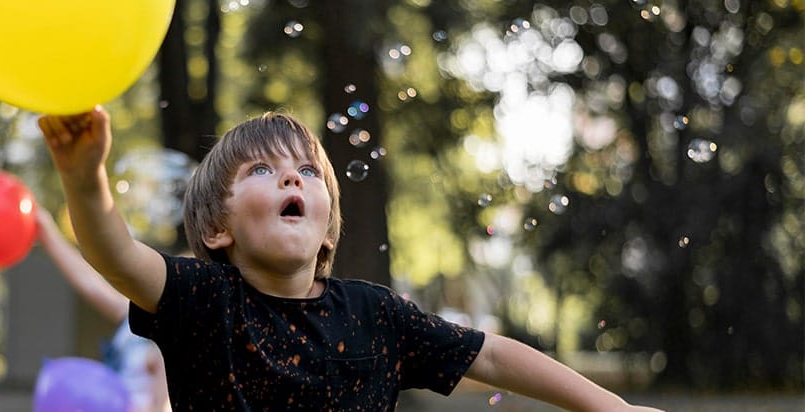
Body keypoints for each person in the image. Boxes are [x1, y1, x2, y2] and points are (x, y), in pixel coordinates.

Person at [38, 106, 664, 411]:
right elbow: (113, 252)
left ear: (328, 231)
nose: (293, 181)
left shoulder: (376, 314)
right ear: (215, 227)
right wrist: (82, 174)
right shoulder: (203, 299)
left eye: (308, 171)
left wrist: (614, 408)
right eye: (264, 169)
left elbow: (494, 354)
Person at [34, 207, 171, 412]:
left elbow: (163, 407)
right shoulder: (135, 315)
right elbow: (90, 284)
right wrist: (47, 234)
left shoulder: (173, 340)